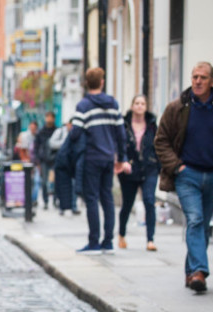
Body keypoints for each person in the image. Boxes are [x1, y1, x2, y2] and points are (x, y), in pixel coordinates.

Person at [154, 62, 213, 292]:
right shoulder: (177, 108)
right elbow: (161, 140)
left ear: (212, 81)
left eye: (203, 77)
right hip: (187, 174)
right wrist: (177, 167)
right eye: (194, 77)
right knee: (194, 220)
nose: (198, 81)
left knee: (201, 226)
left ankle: (190, 272)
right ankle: (201, 271)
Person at [70, 67, 131, 255]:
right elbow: (121, 134)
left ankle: (94, 242)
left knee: (92, 199)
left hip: (91, 157)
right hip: (108, 158)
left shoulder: (84, 106)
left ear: (87, 83)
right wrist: (121, 158)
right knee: (107, 199)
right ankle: (108, 242)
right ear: (102, 82)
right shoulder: (113, 104)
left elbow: (75, 134)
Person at [117, 95, 160, 252]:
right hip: (129, 169)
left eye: (143, 103)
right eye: (137, 103)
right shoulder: (124, 124)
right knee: (127, 204)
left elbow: (159, 145)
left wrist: (158, 164)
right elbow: (118, 144)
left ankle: (150, 239)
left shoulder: (152, 125)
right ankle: (121, 234)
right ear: (132, 106)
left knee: (149, 201)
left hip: (149, 167)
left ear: (146, 106)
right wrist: (123, 161)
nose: (140, 106)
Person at [53, 119, 83, 215]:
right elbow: (51, 143)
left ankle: (73, 206)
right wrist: (63, 144)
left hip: (73, 164)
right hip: (63, 164)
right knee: (62, 186)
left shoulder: (79, 136)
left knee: (74, 185)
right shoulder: (60, 132)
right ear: (68, 124)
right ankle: (63, 206)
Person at [34, 111, 57, 209]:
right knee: (43, 182)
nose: (49, 119)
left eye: (51, 117)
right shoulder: (41, 132)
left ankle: (55, 201)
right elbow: (36, 146)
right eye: (47, 117)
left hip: (54, 159)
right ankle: (46, 201)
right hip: (43, 160)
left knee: (56, 181)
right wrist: (38, 160)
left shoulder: (57, 131)